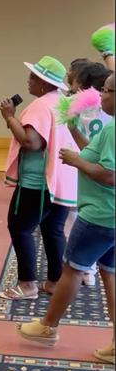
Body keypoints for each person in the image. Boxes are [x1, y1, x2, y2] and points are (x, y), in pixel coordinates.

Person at [18, 72, 115, 364]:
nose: (101, 95)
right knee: (110, 274)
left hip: (99, 214)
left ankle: (47, 327)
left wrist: (75, 162)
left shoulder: (113, 130)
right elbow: (93, 153)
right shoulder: (110, 130)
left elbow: (109, 175)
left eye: (107, 90)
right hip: (110, 217)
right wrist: (73, 128)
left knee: (72, 270)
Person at [0, 56, 78, 300]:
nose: (28, 80)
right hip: (60, 181)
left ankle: (27, 285)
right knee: (53, 230)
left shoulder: (41, 106)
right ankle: (55, 281)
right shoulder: (62, 102)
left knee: (20, 228)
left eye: (33, 77)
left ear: (43, 83)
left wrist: (10, 117)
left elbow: (31, 142)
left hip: (37, 182)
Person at [66, 61, 112, 285]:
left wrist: (76, 160)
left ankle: (85, 268)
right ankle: (90, 270)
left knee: (77, 215)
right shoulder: (107, 111)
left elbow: (107, 172)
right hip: (93, 173)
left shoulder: (83, 108)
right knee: (109, 268)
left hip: (96, 188)